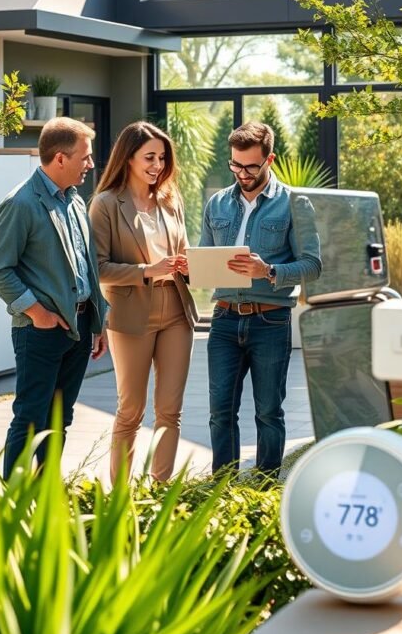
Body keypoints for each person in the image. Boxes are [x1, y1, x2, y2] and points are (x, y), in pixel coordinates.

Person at [0, 117, 109, 478]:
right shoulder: (21, 203)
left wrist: (97, 322)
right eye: (84, 157)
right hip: (40, 331)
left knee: (60, 419)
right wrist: (37, 312)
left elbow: (86, 267)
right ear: (59, 158)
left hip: (79, 327)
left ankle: (46, 497)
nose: (90, 164)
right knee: (30, 418)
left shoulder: (74, 202)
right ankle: (16, 506)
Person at [200, 121, 321, 476]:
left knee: (268, 410)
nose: (242, 173)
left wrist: (267, 270)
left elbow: (312, 266)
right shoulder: (217, 203)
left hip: (270, 320)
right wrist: (191, 268)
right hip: (223, 319)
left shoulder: (296, 204)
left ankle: (266, 485)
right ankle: (222, 487)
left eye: (251, 166)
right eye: (235, 165)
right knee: (220, 410)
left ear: (270, 159)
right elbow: (205, 256)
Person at [89, 121, 198, 483]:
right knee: (130, 411)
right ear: (129, 158)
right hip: (131, 315)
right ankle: (121, 496)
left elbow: (181, 252)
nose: (157, 164)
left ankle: (160, 490)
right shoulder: (105, 204)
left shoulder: (171, 199)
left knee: (170, 410)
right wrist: (148, 270)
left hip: (176, 312)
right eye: (149, 157)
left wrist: (187, 263)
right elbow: (99, 268)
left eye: (162, 157)